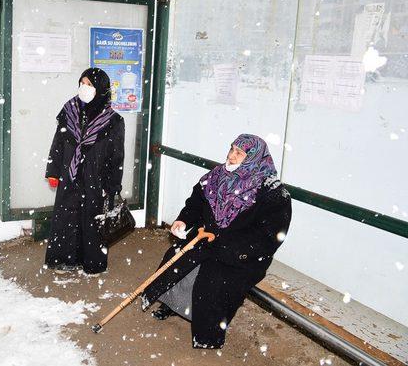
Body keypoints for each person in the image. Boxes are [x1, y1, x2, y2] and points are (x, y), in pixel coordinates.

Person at [141, 134, 291, 349]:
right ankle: (173, 305)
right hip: (206, 236)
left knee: (213, 281)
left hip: (240, 253)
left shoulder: (274, 193)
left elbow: (268, 238)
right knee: (175, 261)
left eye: (239, 153)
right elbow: (195, 203)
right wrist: (183, 220)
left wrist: (226, 246)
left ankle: (208, 331)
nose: (231, 156)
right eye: (231, 149)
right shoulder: (215, 177)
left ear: (254, 158)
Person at [44, 68, 125, 275]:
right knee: (66, 218)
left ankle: (92, 263)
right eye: (82, 83)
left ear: (100, 88)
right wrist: (52, 171)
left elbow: (117, 157)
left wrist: (112, 186)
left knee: (92, 221)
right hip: (69, 174)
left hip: (95, 177)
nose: (84, 88)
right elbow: (58, 144)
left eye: (90, 84)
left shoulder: (113, 120)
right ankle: (63, 260)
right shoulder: (69, 109)